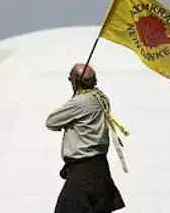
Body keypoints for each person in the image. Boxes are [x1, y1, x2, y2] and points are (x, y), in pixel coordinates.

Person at [46, 63, 126, 213]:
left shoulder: (79, 103)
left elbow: (51, 122)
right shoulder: (101, 98)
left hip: (83, 171)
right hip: (100, 168)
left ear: (75, 81)